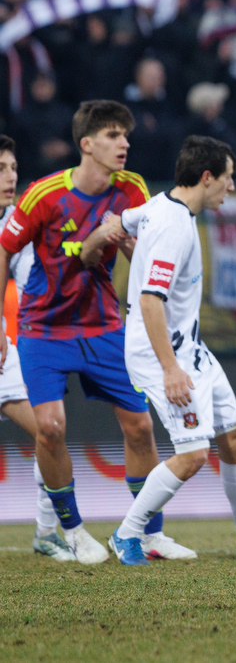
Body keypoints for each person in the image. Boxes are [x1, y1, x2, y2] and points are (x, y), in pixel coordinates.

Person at [104, 136, 236, 562]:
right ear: (207, 176)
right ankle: (127, 534)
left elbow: (117, 220)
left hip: (191, 348)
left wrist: (131, 249)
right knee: (193, 455)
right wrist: (171, 369)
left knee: (235, 436)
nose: (231, 187)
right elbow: (149, 300)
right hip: (164, 355)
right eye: (228, 178)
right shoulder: (175, 226)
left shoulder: (159, 206)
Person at [0, 100, 175, 564]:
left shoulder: (132, 189)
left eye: (125, 135)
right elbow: (3, 249)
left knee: (139, 425)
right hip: (45, 328)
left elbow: (145, 248)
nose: (125, 143)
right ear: (87, 144)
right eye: (114, 135)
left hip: (103, 327)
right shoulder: (44, 195)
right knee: (51, 428)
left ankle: (147, 534)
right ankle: (72, 530)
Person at [0, 135, 71, 560]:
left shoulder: (22, 226)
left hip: (13, 354)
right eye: (0, 169)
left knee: (51, 432)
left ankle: (47, 531)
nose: (9, 177)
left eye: (11, 168)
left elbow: (33, 288)